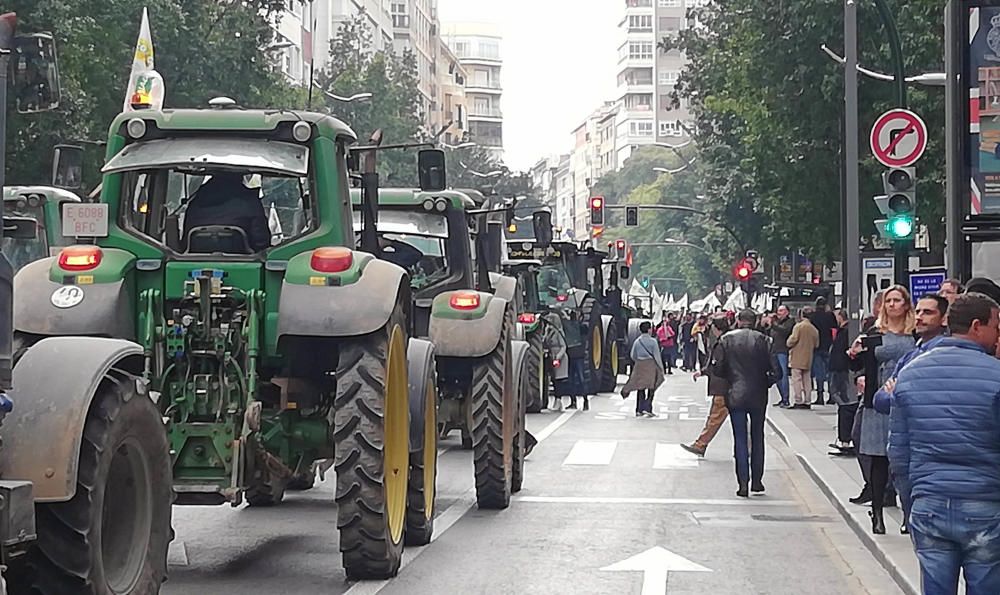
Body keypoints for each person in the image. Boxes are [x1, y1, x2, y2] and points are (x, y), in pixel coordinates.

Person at [890, 293, 1000, 594]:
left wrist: (912, 501)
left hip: (930, 502)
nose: (998, 333)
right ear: (977, 326)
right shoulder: (996, 376)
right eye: (996, 325)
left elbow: (898, 453)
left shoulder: (910, 374)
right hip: (985, 504)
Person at [870, 292, 949, 534]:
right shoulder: (908, 353)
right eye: (920, 312)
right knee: (879, 458)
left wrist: (897, 393)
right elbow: (880, 397)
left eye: (929, 312)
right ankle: (881, 512)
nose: (921, 317)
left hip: (927, 437)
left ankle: (910, 517)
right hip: (896, 420)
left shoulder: (933, 352)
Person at [850, 284, 914, 535]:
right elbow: (857, 362)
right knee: (878, 459)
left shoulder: (916, 334)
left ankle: (907, 513)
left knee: (903, 462)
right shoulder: (874, 333)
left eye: (897, 300)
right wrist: (855, 356)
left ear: (906, 304)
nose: (892, 305)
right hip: (877, 401)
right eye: (889, 301)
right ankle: (877, 513)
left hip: (906, 400)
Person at [710, 309, 779, 497]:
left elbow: (717, 368)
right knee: (757, 436)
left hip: (735, 393)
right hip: (758, 394)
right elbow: (777, 372)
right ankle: (757, 480)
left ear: (739, 321)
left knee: (739, 438)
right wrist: (765, 382)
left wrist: (731, 379)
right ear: (755, 321)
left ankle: (742, 483)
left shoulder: (726, 340)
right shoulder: (765, 341)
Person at [183, 172, 271, 252]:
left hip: (195, 260)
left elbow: (185, 241)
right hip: (243, 262)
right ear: (239, 177)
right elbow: (261, 241)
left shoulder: (194, 203)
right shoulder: (250, 202)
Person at [681, 316, 731, 456]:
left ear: (716, 328)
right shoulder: (728, 340)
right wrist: (703, 371)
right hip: (733, 387)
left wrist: (706, 371)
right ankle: (747, 447)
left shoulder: (723, 343)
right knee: (739, 420)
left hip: (722, 387)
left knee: (715, 418)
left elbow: (718, 365)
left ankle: (700, 445)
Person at [621, 321, 665, 418]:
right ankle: (648, 408)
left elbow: (633, 355)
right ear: (649, 330)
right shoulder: (653, 342)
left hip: (639, 366)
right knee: (651, 387)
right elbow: (657, 356)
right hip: (651, 366)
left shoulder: (637, 341)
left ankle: (638, 410)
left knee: (640, 388)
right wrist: (661, 368)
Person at [828, 309, 857, 453]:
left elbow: (840, 353)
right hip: (841, 370)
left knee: (845, 402)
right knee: (843, 402)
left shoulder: (845, 332)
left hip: (842, 371)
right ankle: (844, 439)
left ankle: (846, 439)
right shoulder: (845, 331)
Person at [787, 307, 819, 409]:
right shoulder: (814, 329)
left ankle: (798, 400)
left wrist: (788, 342)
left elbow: (792, 340)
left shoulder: (798, 327)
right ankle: (808, 401)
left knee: (796, 379)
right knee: (807, 380)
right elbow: (816, 344)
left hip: (797, 356)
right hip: (808, 357)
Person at [811, 297, 838, 405]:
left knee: (819, 373)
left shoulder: (814, 316)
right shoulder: (830, 315)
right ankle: (832, 395)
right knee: (830, 372)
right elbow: (835, 328)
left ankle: (820, 396)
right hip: (828, 347)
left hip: (817, 347)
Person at [767, 305, 795, 408]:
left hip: (782, 351)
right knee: (777, 375)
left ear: (787, 312)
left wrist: (773, 323)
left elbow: (784, 331)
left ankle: (786, 398)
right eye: (778, 310)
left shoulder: (790, 321)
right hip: (774, 350)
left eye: (782, 310)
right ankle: (782, 397)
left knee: (783, 375)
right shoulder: (777, 322)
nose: (779, 313)